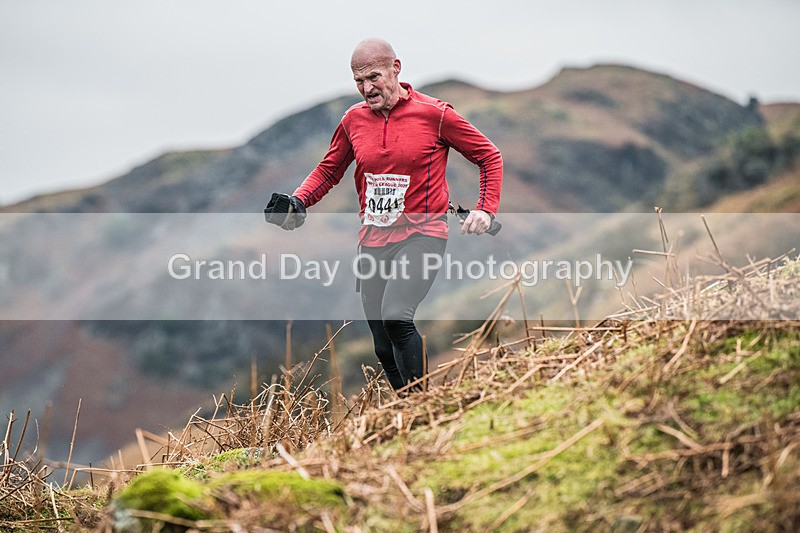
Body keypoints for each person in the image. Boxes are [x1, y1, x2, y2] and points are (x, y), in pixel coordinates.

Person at [280, 37, 502, 393]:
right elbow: (328, 170)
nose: (367, 88)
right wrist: (298, 201)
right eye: (359, 81)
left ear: (396, 69)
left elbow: (489, 156)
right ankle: (406, 407)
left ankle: (422, 406)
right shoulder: (353, 120)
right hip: (373, 238)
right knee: (382, 344)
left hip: (423, 233)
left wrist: (486, 210)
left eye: (374, 77)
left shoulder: (435, 114)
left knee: (397, 318)